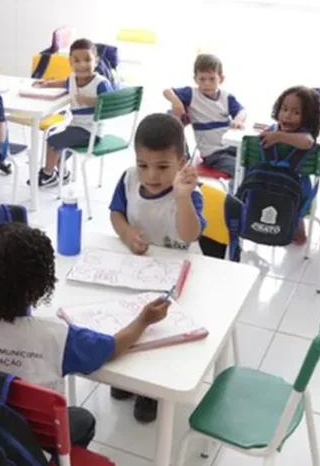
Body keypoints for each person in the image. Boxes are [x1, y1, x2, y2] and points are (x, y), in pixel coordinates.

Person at [0, 222, 171, 448]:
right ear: (38, 288)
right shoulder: (57, 338)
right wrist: (143, 321)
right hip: (28, 445)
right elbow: (112, 347)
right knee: (82, 420)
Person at [108, 112, 205, 423]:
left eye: (163, 167)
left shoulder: (188, 192)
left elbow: (190, 235)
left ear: (182, 162)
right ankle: (127, 377)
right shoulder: (128, 179)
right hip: (137, 268)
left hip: (179, 272)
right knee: (130, 319)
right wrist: (125, 233)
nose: (150, 175)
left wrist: (182, 197)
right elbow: (116, 214)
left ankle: (153, 392)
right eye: (143, 165)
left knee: (162, 330)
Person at [33, 38, 114, 188]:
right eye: (76, 60)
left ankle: (47, 174)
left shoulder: (100, 83)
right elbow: (64, 83)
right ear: (70, 62)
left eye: (87, 60)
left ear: (96, 61)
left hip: (92, 131)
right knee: (56, 146)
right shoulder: (72, 79)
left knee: (53, 143)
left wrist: (90, 100)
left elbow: (112, 103)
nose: (82, 65)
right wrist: (47, 84)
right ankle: (63, 175)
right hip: (76, 126)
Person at [164, 53, 247, 175]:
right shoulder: (192, 94)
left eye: (212, 79)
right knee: (239, 170)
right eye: (202, 79)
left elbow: (241, 111)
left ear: (221, 79)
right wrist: (176, 101)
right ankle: (237, 192)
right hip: (213, 153)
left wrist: (238, 119)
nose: (207, 83)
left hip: (232, 146)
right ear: (195, 79)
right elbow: (167, 91)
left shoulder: (226, 97)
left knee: (253, 162)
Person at [261, 86, 320, 246]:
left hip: (268, 186)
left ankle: (292, 229)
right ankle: (296, 230)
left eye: (296, 112)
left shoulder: (291, 133)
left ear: (307, 117)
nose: (287, 115)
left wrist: (279, 136)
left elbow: (308, 141)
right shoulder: (274, 130)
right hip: (291, 189)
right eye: (284, 109)